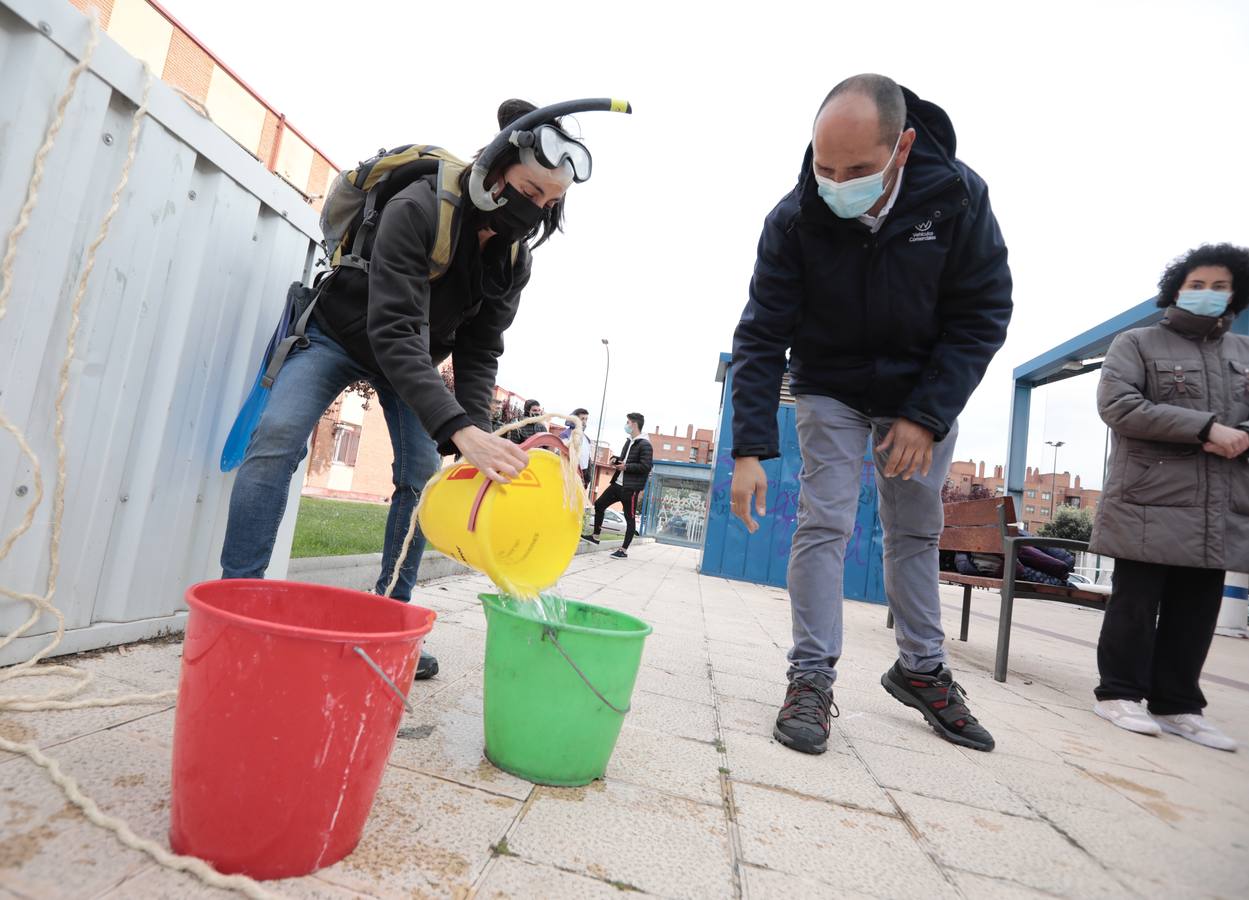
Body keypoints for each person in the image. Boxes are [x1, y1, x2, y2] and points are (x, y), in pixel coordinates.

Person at [220, 99, 599, 680]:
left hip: (416, 359)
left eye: (550, 202)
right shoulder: (420, 206)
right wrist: (459, 428)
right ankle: (239, 606)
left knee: (422, 474)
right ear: (496, 170)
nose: (536, 209)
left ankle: (390, 618)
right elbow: (391, 327)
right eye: (529, 190)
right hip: (340, 333)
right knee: (276, 437)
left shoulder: (512, 259)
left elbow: (480, 349)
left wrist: (474, 434)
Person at [729, 74, 1012, 755]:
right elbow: (762, 335)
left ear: (903, 145)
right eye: (824, 167)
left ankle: (920, 669)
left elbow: (981, 314)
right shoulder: (795, 217)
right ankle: (809, 675)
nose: (836, 183)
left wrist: (925, 414)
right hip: (829, 384)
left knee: (914, 528)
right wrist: (747, 450)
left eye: (857, 170)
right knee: (824, 520)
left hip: (919, 388)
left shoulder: (957, 199)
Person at [1089, 243, 1249, 752]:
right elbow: (1119, 405)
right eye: (1196, 285)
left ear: (1235, 293)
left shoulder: (1243, 354)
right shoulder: (1137, 343)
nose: (1207, 294)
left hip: (1220, 498)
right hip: (1150, 495)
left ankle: (1179, 703)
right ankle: (1118, 693)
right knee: (1136, 600)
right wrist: (1205, 428)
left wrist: (1239, 435)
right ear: (1177, 289)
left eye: (1219, 286)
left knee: (1198, 604)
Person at [583, 412, 652, 558]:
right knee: (600, 504)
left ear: (633, 424)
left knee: (629, 517)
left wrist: (626, 467)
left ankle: (623, 550)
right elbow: (624, 459)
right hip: (617, 484)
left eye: (628, 422)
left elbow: (645, 466)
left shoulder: (645, 444)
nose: (626, 425)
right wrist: (616, 460)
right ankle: (595, 536)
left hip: (630, 488)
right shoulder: (629, 441)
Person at [561, 407, 593, 487]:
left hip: (582, 475)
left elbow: (588, 459)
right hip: (569, 473)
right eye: (582, 419)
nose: (584, 422)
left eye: (586, 419)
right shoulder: (566, 435)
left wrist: (588, 476)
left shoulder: (587, 439)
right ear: (574, 419)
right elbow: (563, 453)